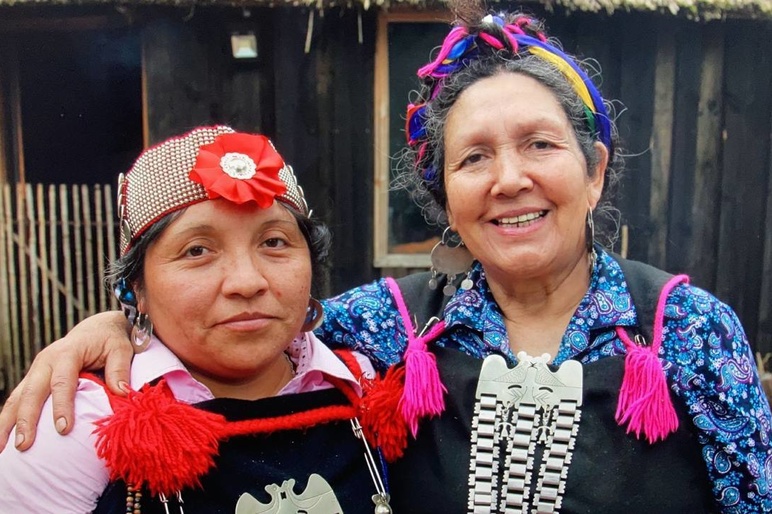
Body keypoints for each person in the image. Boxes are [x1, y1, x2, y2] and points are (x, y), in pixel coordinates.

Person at [3, 3, 772, 512]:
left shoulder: (692, 331)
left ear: (595, 167)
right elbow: (247, 329)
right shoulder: (385, 329)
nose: (510, 179)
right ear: (444, 197)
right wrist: (113, 330)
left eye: (540, 144)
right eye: (473, 158)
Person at [0, 125, 394, 513]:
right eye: (197, 250)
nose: (247, 281)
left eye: (274, 242)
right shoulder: (77, 425)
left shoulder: (367, 385)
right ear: (136, 287)